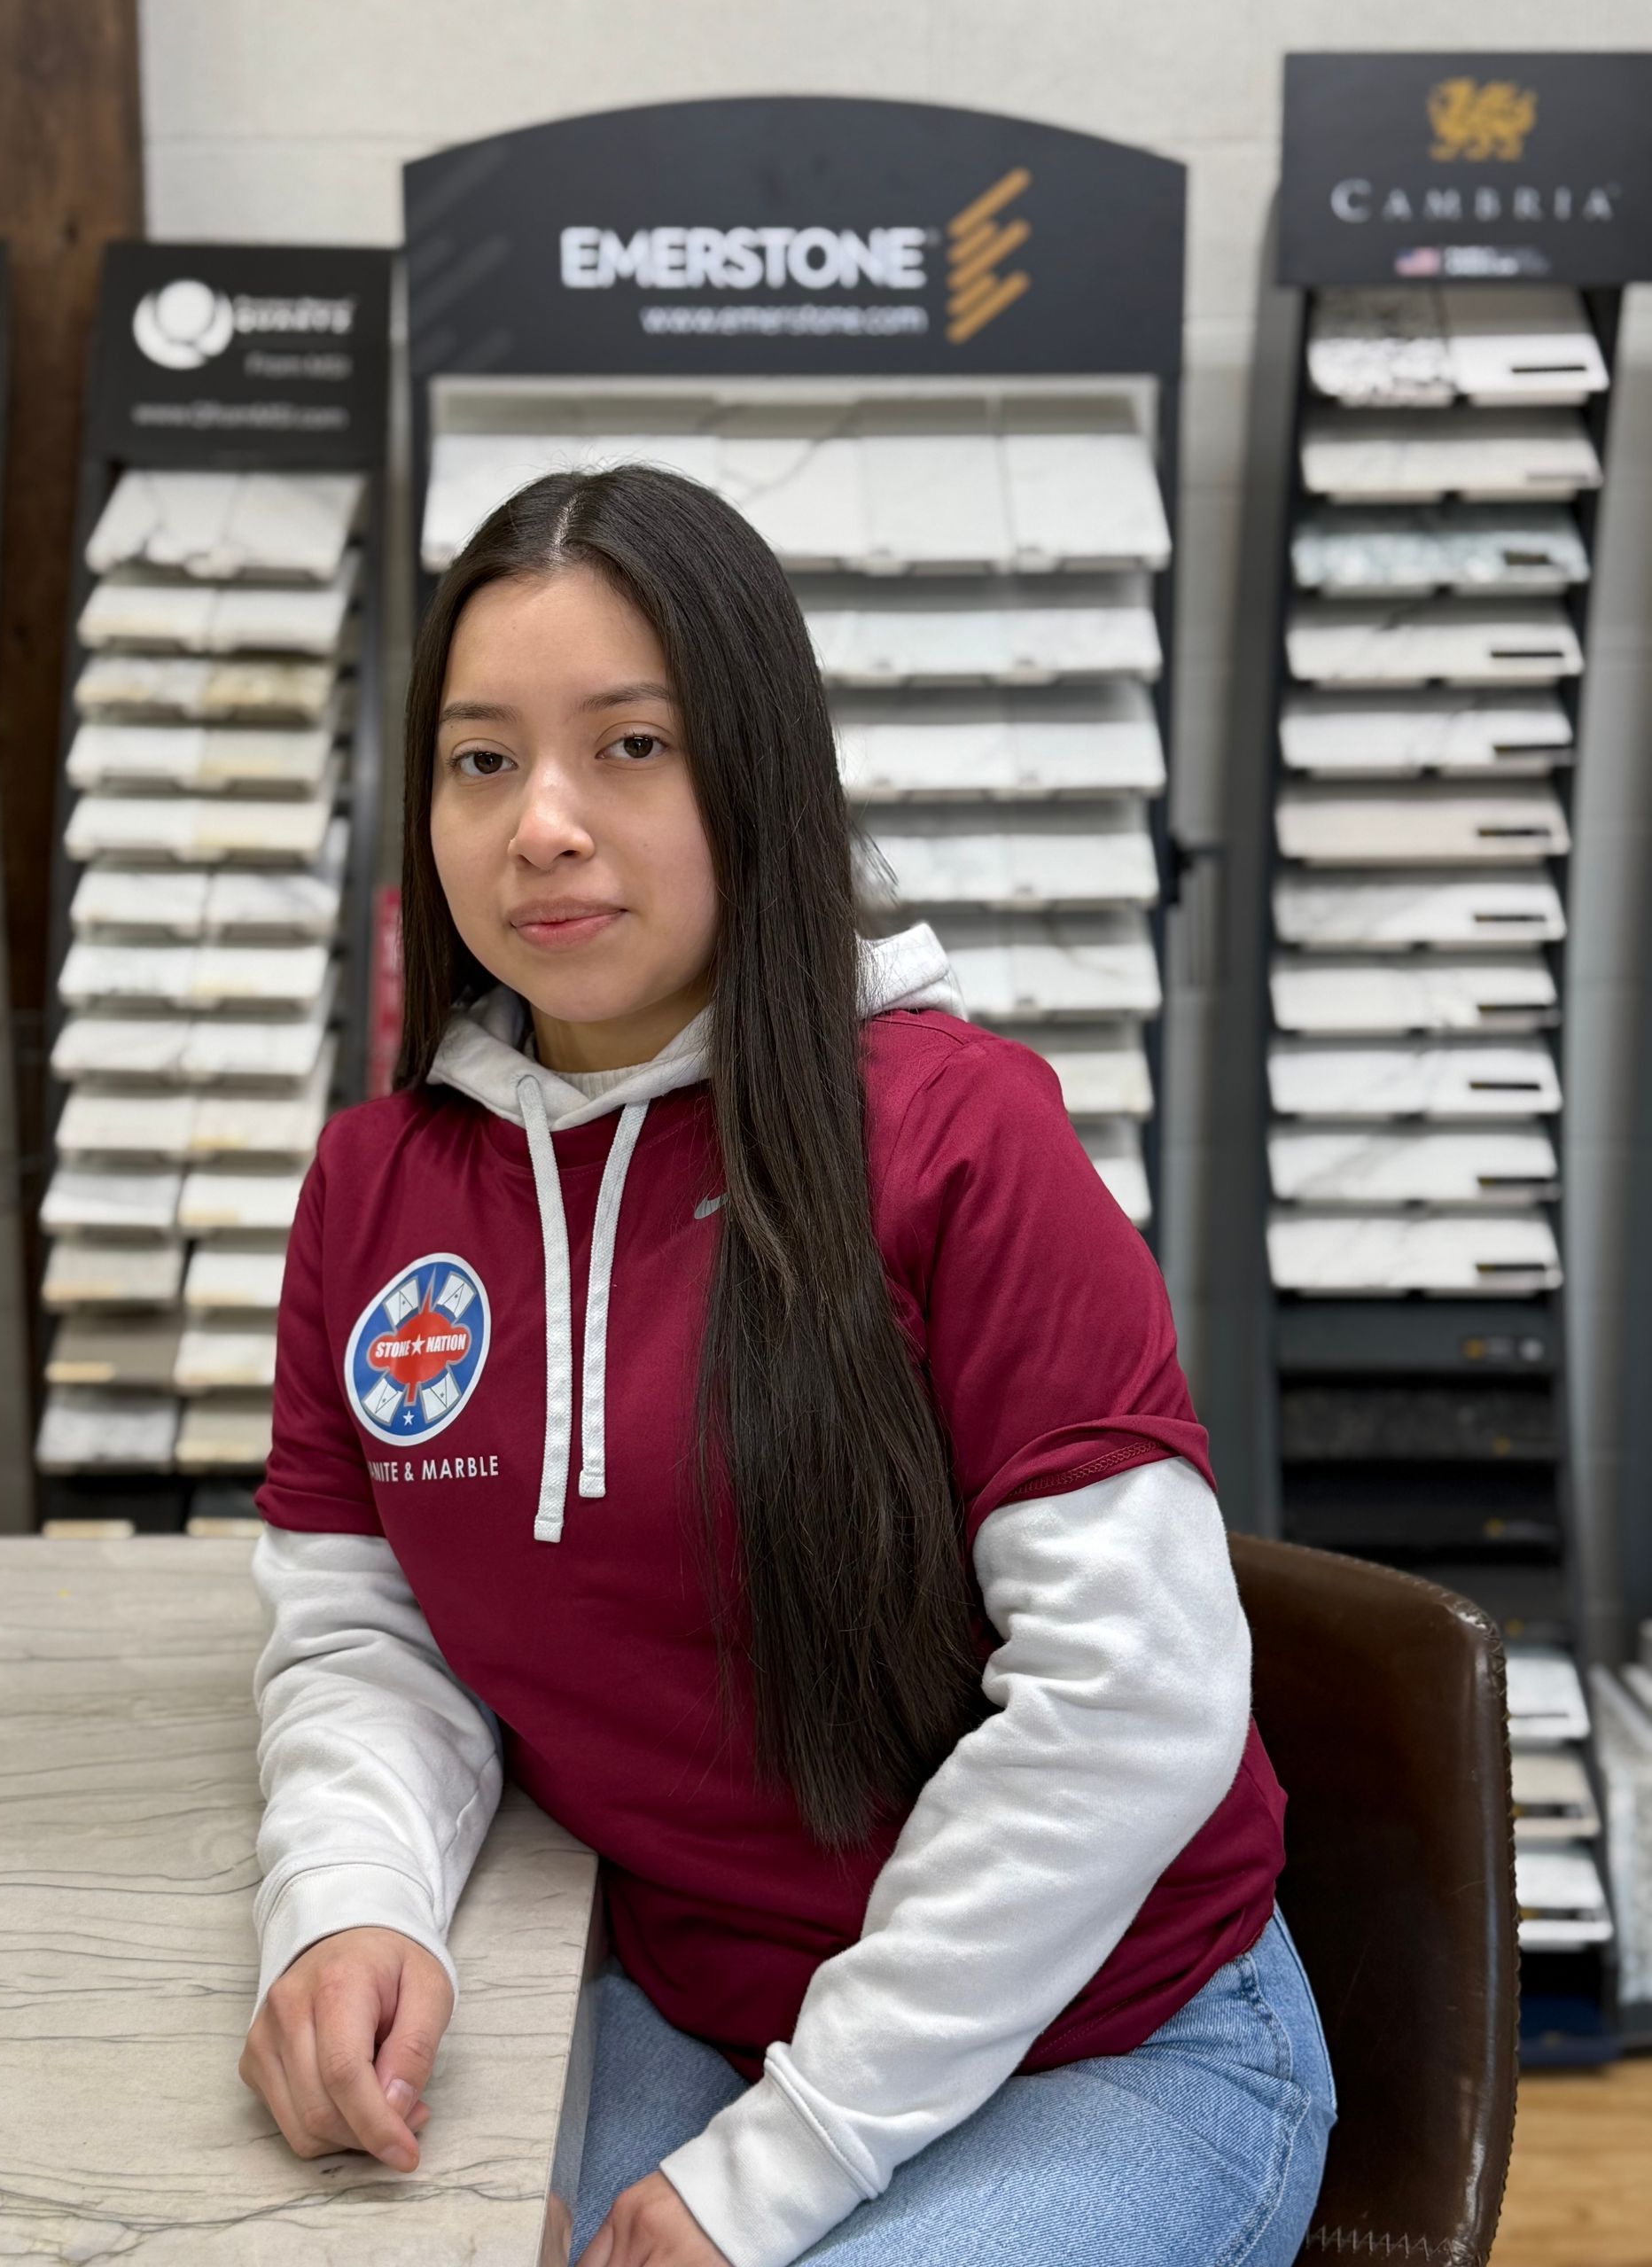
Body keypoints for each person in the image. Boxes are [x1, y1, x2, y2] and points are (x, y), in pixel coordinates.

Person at [238, 462, 1336, 2267]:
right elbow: (370, 1640)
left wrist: (791, 2154)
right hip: (684, 1999)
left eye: (633, 745)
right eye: (483, 756)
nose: (544, 825)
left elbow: (1129, 1701)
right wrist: (352, 1903)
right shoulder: (376, 1190)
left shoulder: (960, 1136)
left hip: (1109, 2034)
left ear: (757, 766)